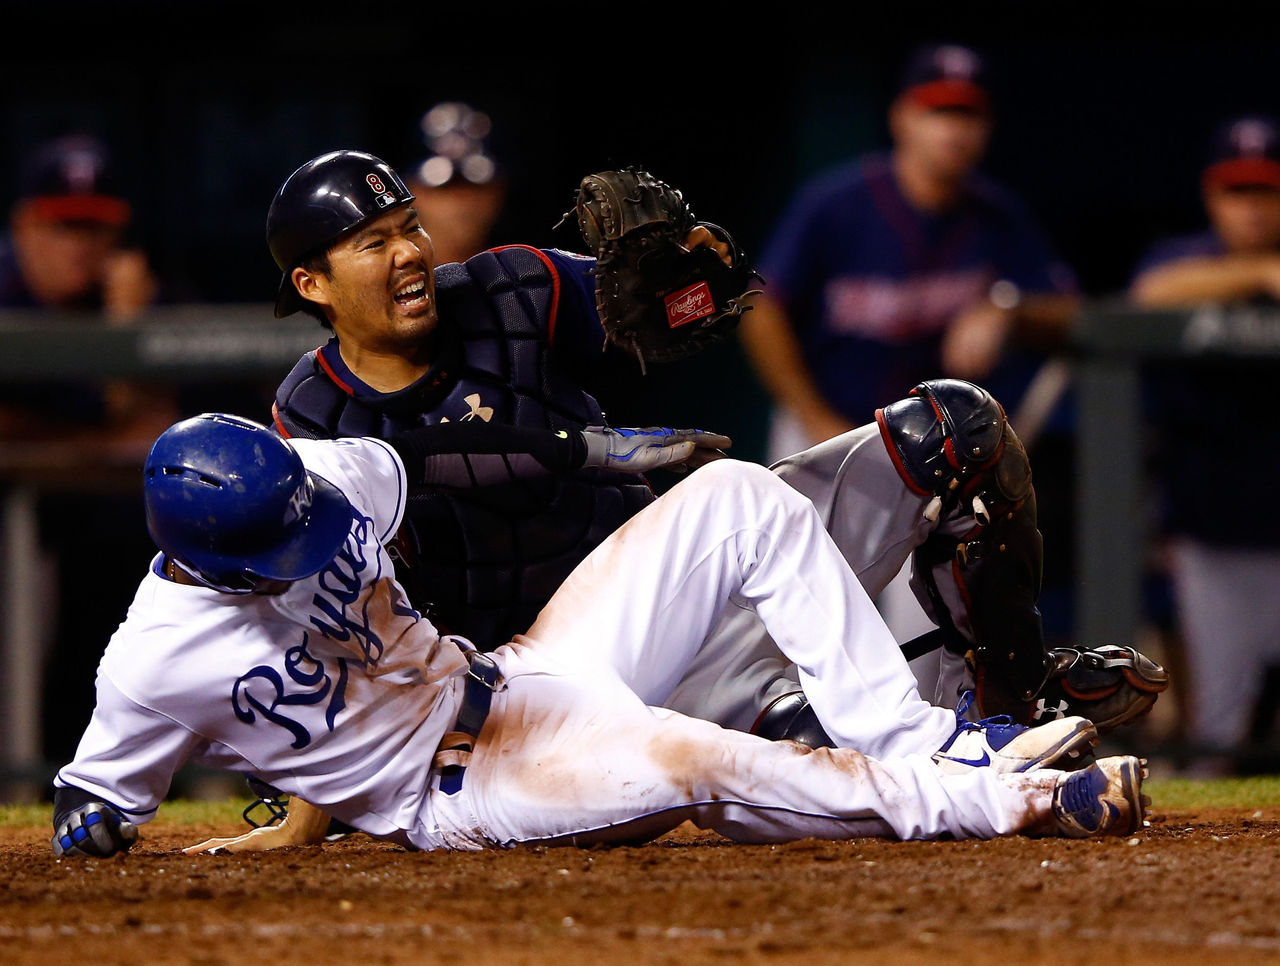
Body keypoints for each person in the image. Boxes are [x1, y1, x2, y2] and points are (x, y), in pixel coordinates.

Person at [48, 412, 1147, 858]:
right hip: (466, 791)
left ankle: (910, 738)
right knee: (698, 756)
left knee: (736, 496)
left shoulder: (324, 476)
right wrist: (93, 826)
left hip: (519, 677)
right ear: (211, 560)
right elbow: (93, 806)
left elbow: (410, 462)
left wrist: (580, 451)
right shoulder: (151, 665)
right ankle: (1009, 801)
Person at [736, 42, 1082, 645]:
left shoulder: (995, 216)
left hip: (932, 455)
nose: (953, 129)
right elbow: (762, 306)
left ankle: (917, 741)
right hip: (828, 433)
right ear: (902, 118)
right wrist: (813, 415)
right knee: (794, 621)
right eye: (937, 110)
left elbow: (1071, 312)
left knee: (924, 632)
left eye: (967, 115)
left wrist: (1007, 308)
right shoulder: (837, 203)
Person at [0, 133, 179, 767]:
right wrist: (93, 444)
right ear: (25, 223)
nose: (81, 245)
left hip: (85, 540)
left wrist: (126, 339)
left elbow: (158, 428)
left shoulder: (128, 299)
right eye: (63, 226)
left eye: (96, 228)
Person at [1128, 114, 1280, 773]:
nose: (1250, 207)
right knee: (1218, 726)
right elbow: (1148, 294)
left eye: (1265, 190)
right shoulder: (1182, 258)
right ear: (1213, 196)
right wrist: (1259, 276)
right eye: (1236, 190)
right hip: (1209, 530)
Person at [401, 101, 510, 265]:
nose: (461, 201)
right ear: (413, 193)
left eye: (473, 186)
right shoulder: (385, 283)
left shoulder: (533, 278)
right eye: (445, 187)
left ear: (497, 192)